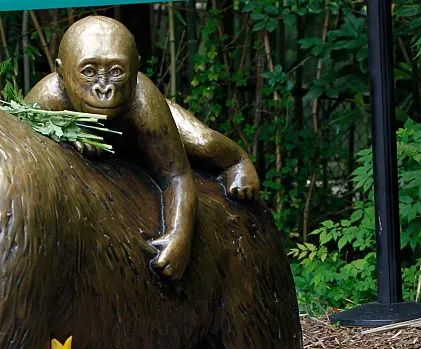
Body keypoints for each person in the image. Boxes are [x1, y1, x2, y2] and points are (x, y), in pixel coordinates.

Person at [26, 17, 260, 279]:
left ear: (136, 71)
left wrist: (179, 236)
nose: (104, 88)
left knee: (203, 143)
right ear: (61, 74)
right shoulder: (44, 100)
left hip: (141, 136)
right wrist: (71, 134)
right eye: (89, 72)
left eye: (116, 71)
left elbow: (176, 176)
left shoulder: (144, 104)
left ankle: (236, 160)